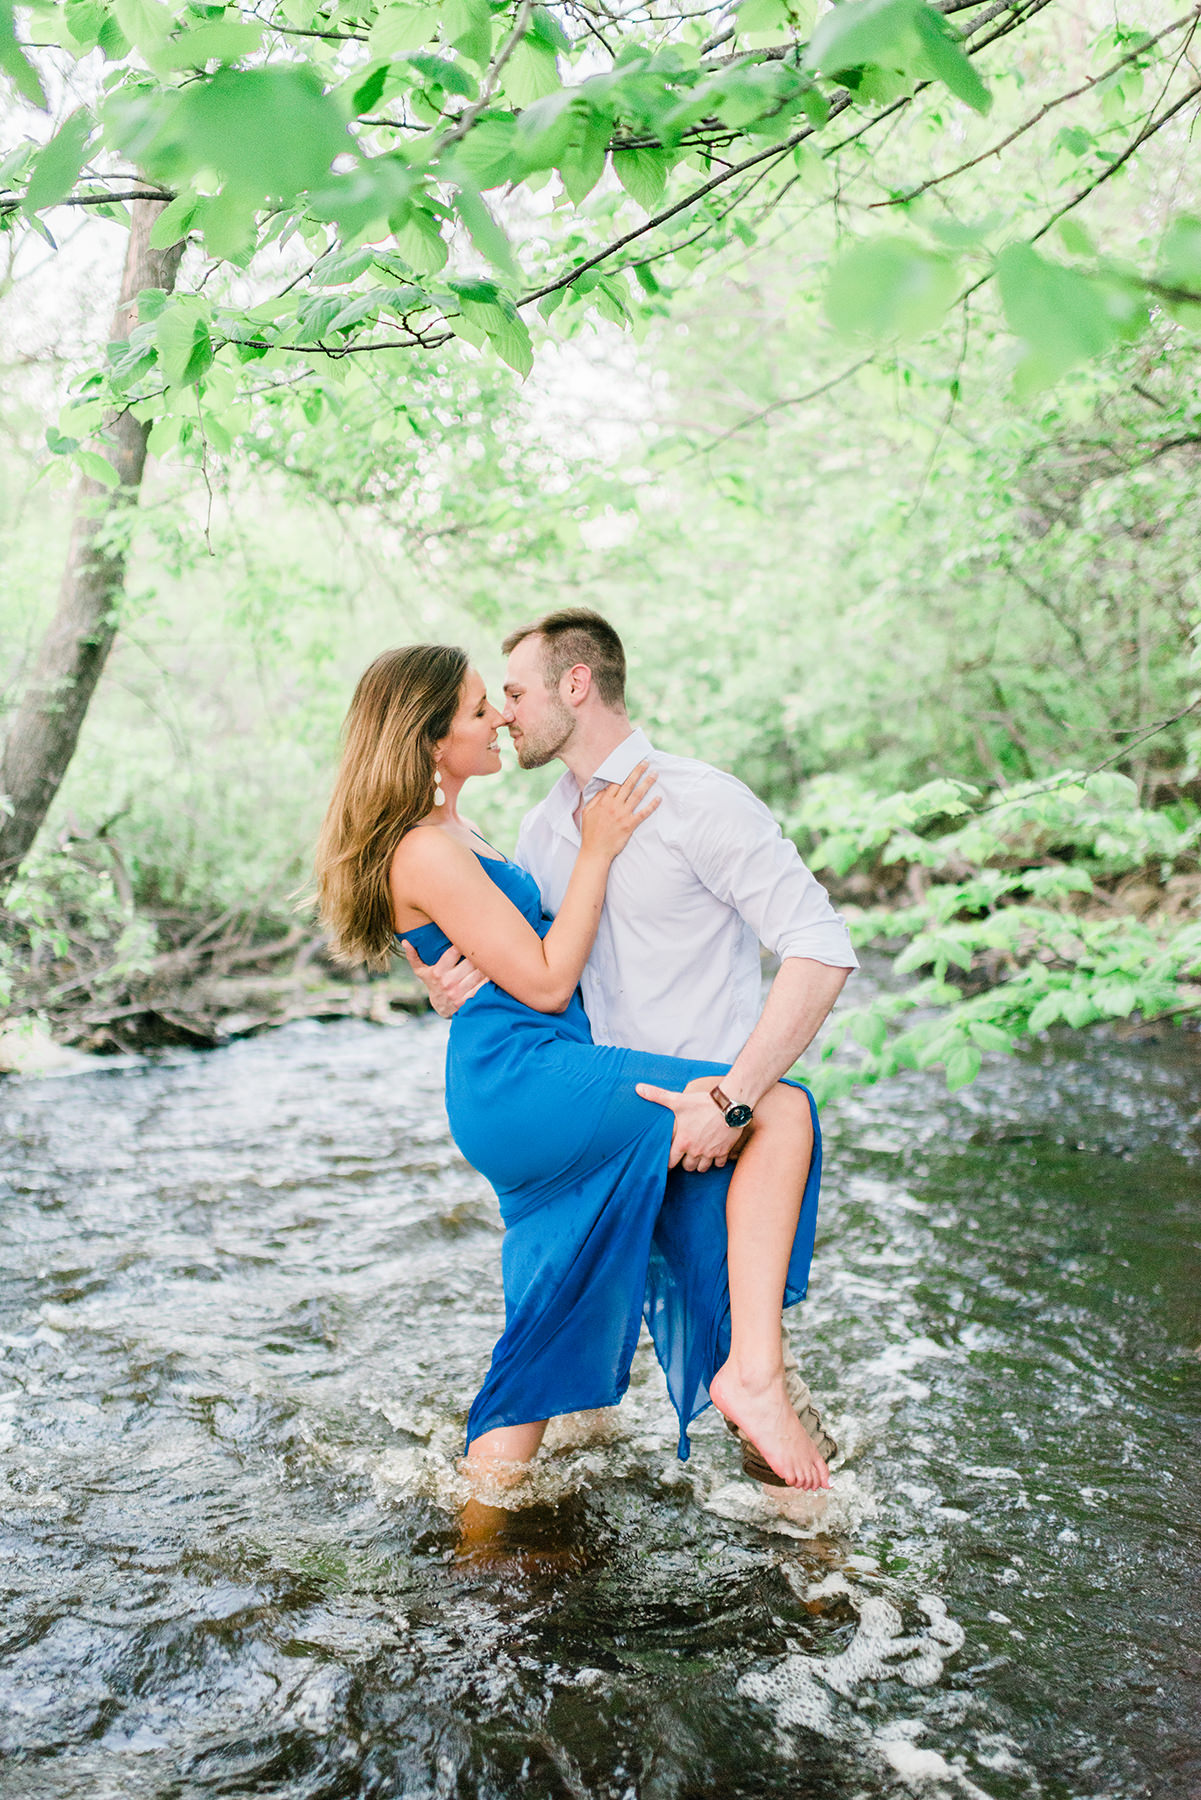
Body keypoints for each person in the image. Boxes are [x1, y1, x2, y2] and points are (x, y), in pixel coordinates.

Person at [314, 642, 839, 1491]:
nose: (498, 719)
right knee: (777, 1109)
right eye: (481, 707)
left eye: (502, 698)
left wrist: (442, 973)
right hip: (523, 1074)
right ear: (425, 736)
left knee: (547, 1298)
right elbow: (551, 979)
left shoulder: (464, 829)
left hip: (528, 1070)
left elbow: (494, 948)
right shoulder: (432, 845)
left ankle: (484, 1533)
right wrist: (596, 848)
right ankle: (753, 1378)